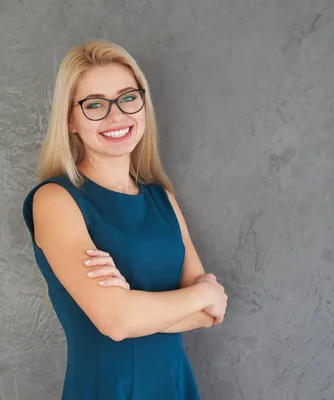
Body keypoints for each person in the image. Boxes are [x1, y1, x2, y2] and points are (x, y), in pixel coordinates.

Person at [22, 39, 228, 400]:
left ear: (143, 104)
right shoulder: (56, 199)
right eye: (95, 105)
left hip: (176, 386)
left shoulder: (162, 199)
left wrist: (135, 304)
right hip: (109, 390)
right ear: (70, 120)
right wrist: (202, 293)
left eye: (128, 98)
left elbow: (210, 314)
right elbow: (116, 323)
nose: (116, 116)